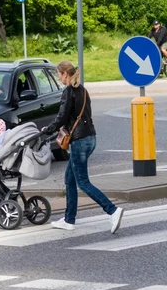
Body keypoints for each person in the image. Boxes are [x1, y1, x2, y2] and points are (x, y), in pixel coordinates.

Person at [41, 61, 124, 234]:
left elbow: (62, 117)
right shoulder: (83, 91)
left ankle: (112, 210)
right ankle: (69, 220)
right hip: (90, 138)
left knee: (83, 182)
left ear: (65, 74)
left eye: (59, 75)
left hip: (79, 141)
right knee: (69, 179)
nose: (58, 78)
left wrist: (47, 129)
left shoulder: (69, 92)